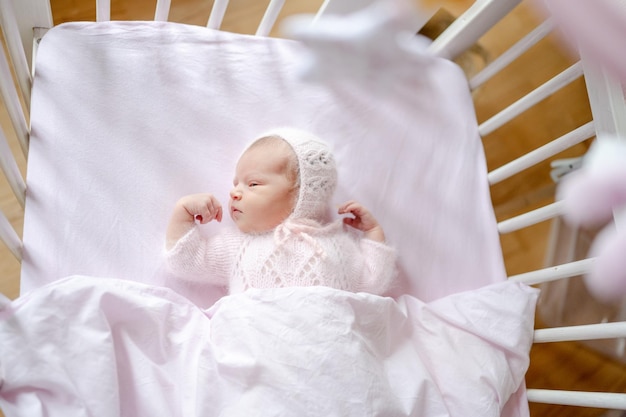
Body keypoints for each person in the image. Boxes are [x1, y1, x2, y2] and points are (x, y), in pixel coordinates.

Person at [165, 127, 397, 295]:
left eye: (252, 184)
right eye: (236, 184)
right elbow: (187, 262)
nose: (234, 193)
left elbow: (372, 283)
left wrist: (373, 233)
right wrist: (182, 214)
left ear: (301, 192)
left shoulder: (336, 244)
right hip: (254, 345)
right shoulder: (237, 245)